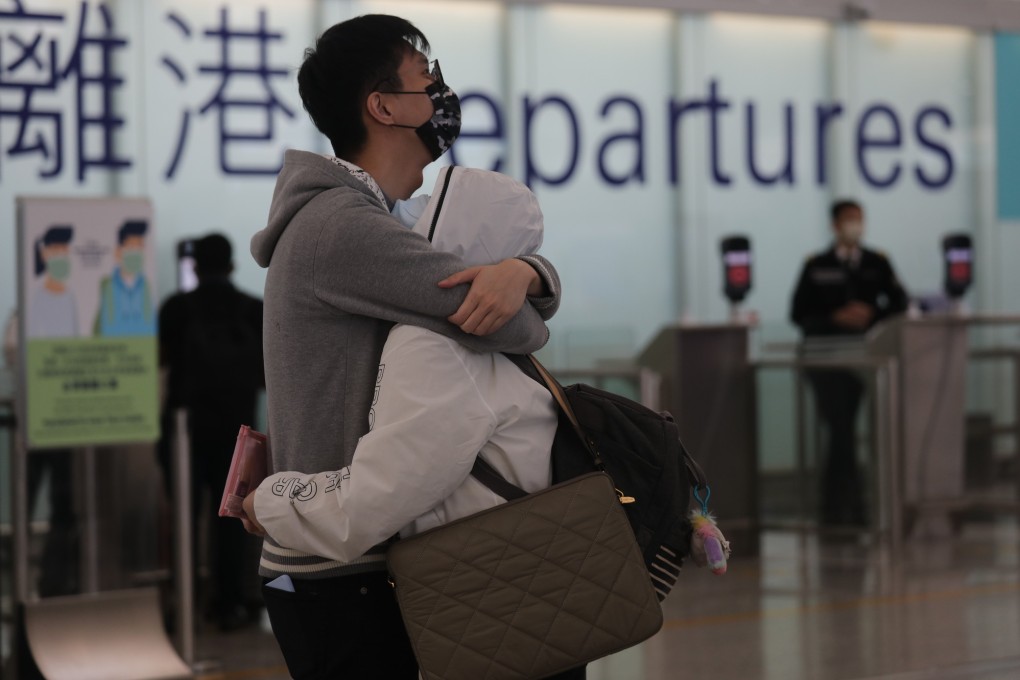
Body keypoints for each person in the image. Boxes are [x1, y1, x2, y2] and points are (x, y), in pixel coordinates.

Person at [248, 14, 560, 680]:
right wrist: (525, 277)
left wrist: (526, 272)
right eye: (429, 81)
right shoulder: (347, 228)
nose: (443, 97)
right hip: (339, 564)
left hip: (330, 553)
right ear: (383, 106)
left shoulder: (354, 218)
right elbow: (509, 325)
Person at [157, 233, 265, 630]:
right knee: (233, 520)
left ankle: (183, 601)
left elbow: (160, 362)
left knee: (184, 519)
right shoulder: (253, 309)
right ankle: (230, 603)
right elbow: (266, 375)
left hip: (183, 433)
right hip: (236, 436)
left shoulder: (175, 309)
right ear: (233, 266)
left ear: (195, 267)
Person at [790, 199, 909, 526]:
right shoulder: (817, 265)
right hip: (827, 360)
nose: (855, 225)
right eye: (849, 219)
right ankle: (842, 507)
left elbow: (901, 303)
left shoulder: (877, 262)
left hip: (868, 358)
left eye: (859, 218)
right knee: (840, 430)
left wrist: (872, 315)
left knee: (867, 432)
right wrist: (835, 317)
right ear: (835, 225)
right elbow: (799, 314)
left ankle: (853, 505)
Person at [94, 219, 155, 336]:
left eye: (140, 247)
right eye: (131, 247)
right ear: (118, 252)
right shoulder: (108, 288)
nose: (136, 253)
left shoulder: (146, 288)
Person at [27, 225, 79, 339]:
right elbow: (33, 336)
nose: (61, 256)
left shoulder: (70, 296)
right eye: (56, 251)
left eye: (64, 250)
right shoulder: (39, 297)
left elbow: (76, 336)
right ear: (45, 254)